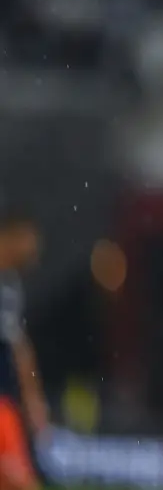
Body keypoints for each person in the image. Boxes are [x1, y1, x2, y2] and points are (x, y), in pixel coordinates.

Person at [0, 207, 47, 490]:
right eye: (30, 240)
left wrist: (32, 397)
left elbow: (19, 345)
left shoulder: (11, 284)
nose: (35, 250)